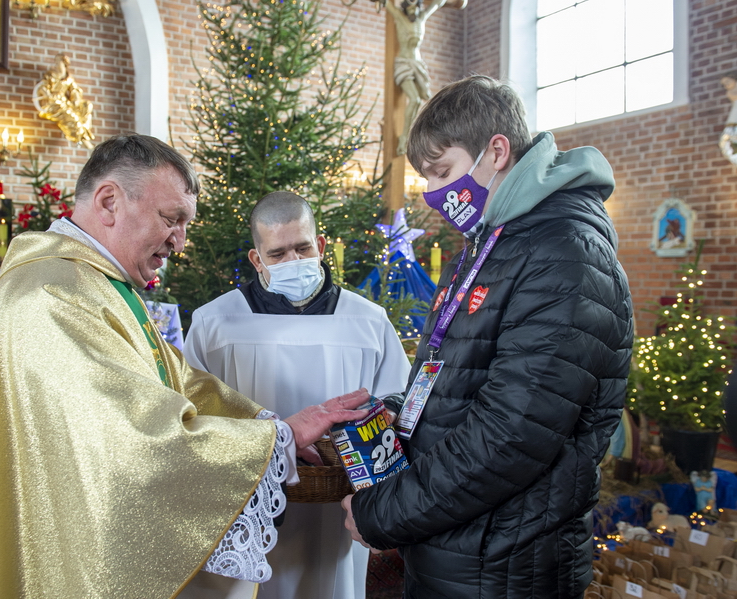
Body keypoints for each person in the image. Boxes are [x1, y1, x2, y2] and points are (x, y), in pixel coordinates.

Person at [0, 134, 371, 599]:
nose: (179, 243)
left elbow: (174, 379)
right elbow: (129, 443)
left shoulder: (89, 282)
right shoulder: (53, 298)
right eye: (171, 219)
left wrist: (265, 424)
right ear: (108, 202)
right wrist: (276, 441)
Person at [341, 75, 634, 597]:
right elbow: (456, 381)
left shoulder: (565, 253)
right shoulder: (495, 240)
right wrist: (381, 416)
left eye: (442, 171)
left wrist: (383, 512)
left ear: (496, 150)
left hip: (505, 564)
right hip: (459, 547)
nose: (433, 193)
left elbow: (511, 434)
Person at [183, 191, 412, 599]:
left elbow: (399, 409)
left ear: (320, 246)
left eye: (303, 248)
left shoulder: (367, 321)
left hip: (338, 509)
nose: (294, 262)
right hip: (248, 507)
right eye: (278, 253)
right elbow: (191, 417)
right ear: (257, 259)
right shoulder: (214, 324)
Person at [384, 0, 465, 155]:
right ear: (406, 8)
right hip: (404, 63)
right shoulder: (400, 18)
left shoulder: (421, 19)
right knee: (414, 100)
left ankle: (409, 136)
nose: (414, 11)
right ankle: (404, 138)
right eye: (411, 8)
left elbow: (435, 4)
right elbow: (388, 5)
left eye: (416, 7)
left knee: (424, 98)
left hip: (417, 63)